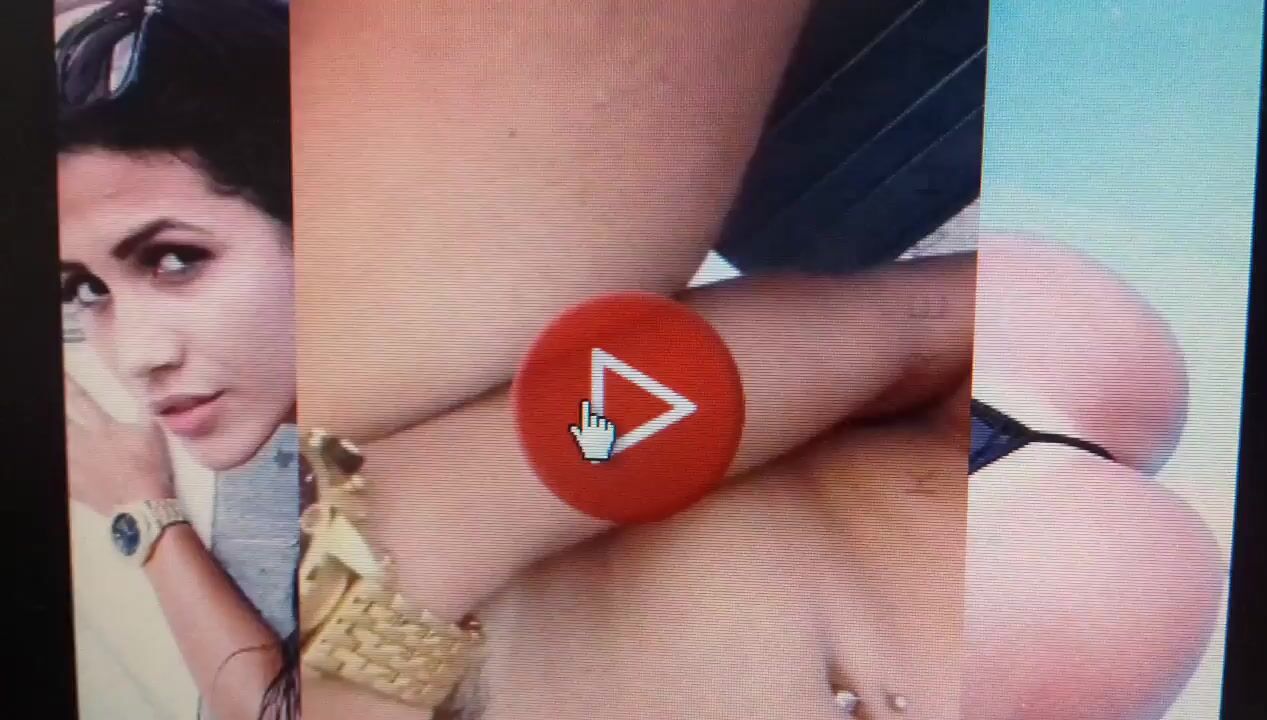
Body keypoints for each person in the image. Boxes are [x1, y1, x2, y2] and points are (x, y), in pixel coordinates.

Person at [289, 4, 1223, 719]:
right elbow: (386, 542)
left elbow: (390, 538)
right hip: (965, 581)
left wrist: (913, 323)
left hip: (923, 529)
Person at [56, 1, 298, 718]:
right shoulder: (266, 407)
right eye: (86, 288)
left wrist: (143, 508)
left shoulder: (442, 439)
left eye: (175, 259)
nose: (138, 357)